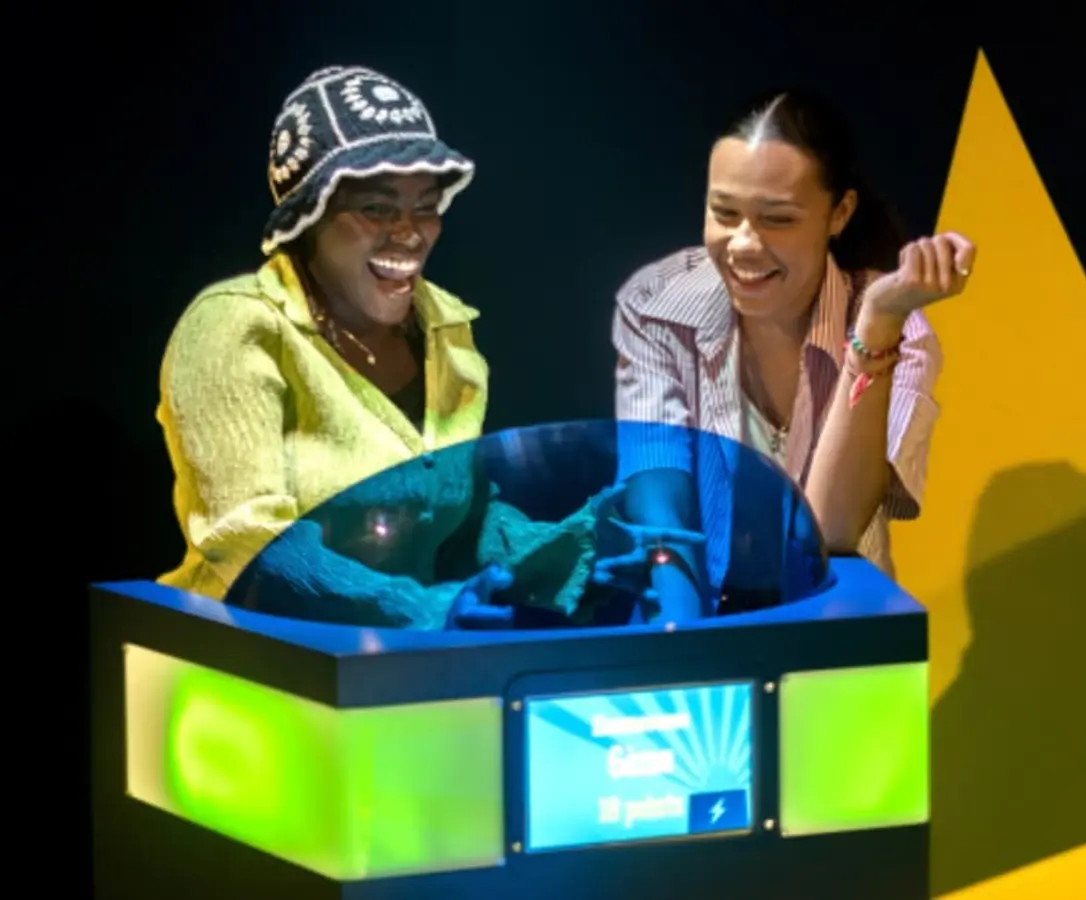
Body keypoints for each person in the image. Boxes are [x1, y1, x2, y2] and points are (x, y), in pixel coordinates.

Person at [156, 65, 650, 630]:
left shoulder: (446, 328)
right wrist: (422, 609)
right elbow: (248, 543)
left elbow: (459, 521)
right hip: (247, 657)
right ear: (308, 216)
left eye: (427, 206)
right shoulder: (235, 326)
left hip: (396, 661)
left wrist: (572, 560)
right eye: (377, 208)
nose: (412, 233)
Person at [610, 88, 976, 622]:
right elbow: (657, 497)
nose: (743, 244)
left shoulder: (900, 330)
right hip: (692, 621)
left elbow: (832, 532)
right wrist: (685, 642)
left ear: (839, 213)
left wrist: (877, 323)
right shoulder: (655, 305)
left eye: (777, 219)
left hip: (835, 631)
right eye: (724, 213)